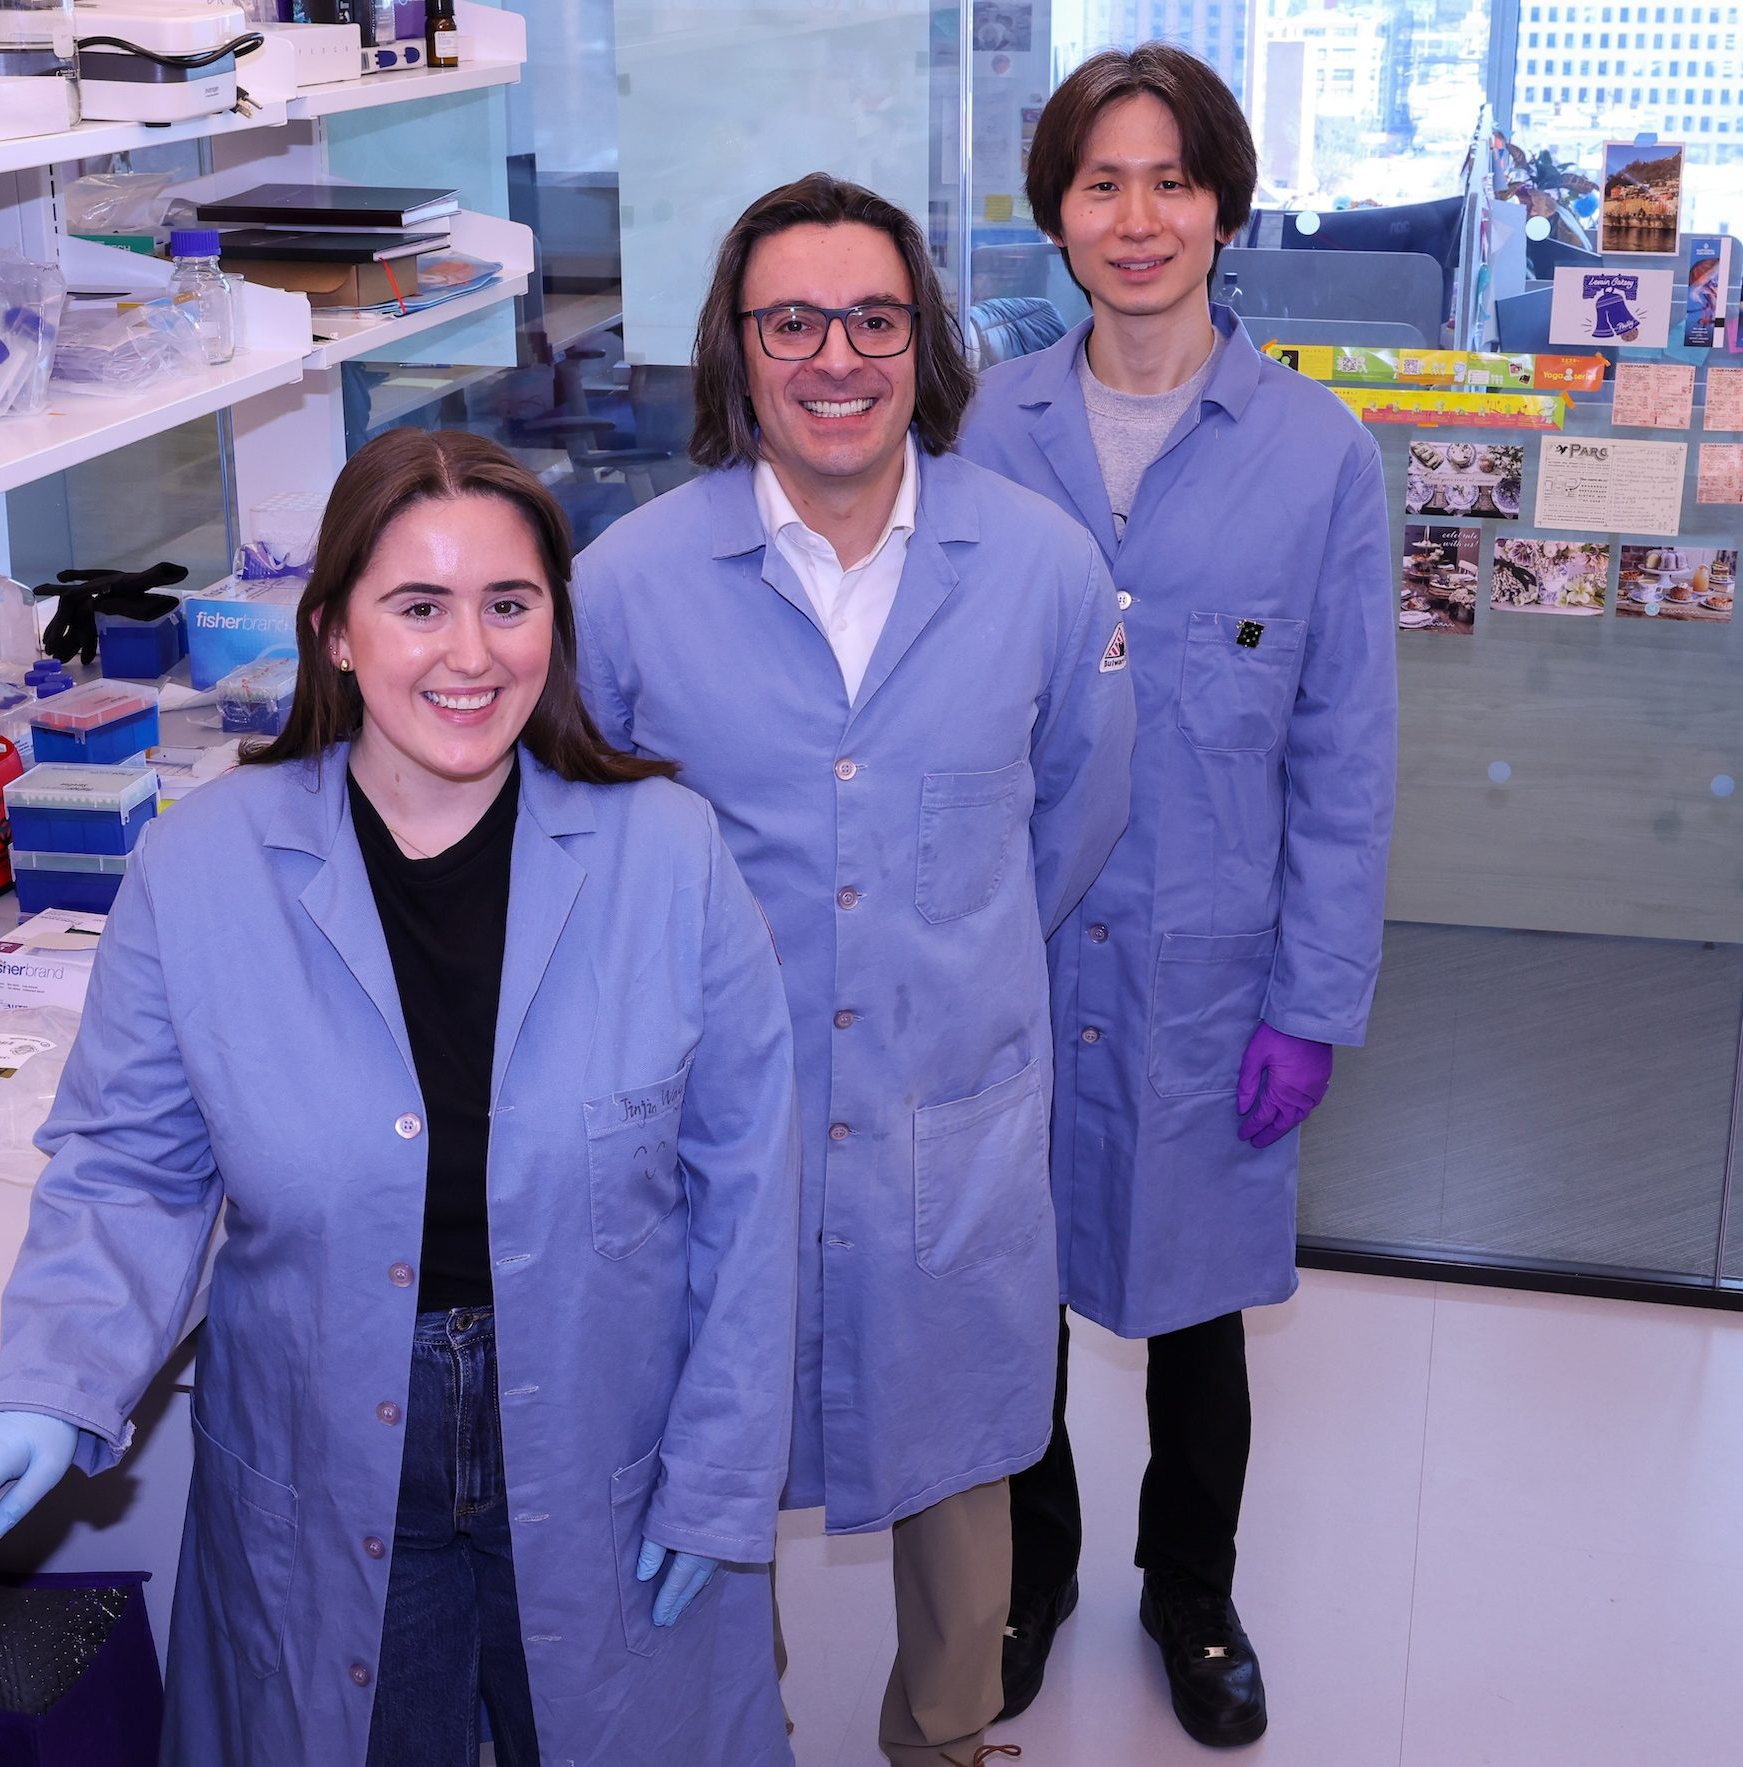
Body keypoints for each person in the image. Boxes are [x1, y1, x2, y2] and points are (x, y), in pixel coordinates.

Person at [0, 429, 803, 1767]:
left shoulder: (670, 856)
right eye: (418, 606)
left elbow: (751, 1188)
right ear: (337, 636)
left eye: (511, 604)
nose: (471, 655)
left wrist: (718, 1479)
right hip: (328, 1439)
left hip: (612, 1427)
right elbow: (131, 1173)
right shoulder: (201, 875)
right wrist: (47, 1381)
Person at [574, 173, 1136, 1767]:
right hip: (711, 1138)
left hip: (944, 1122)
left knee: (961, 1471)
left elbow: (1079, 813)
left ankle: (945, 1742)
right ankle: (720, 1738)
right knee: (704, 1461)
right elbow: (595, 867)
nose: (838, 356)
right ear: (736, 350)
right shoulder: (624, 591)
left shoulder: (1037, 574)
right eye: (792, 321)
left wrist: (939, 963)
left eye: (875, 318)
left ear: (925, 341)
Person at [958, 42, 1397, 1747]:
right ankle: (1034, 1577)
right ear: (1057, 214)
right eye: (1100, 183)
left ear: (1223, 203)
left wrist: (1315, 998)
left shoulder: (1317, 454)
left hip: (1214, 968)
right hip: (1012, 948)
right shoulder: (988, 428)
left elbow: (1347, 754)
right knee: (1015, 1297)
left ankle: (1192, 1594)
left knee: (1197, 1312)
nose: (1137, 220)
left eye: (1172, 181)